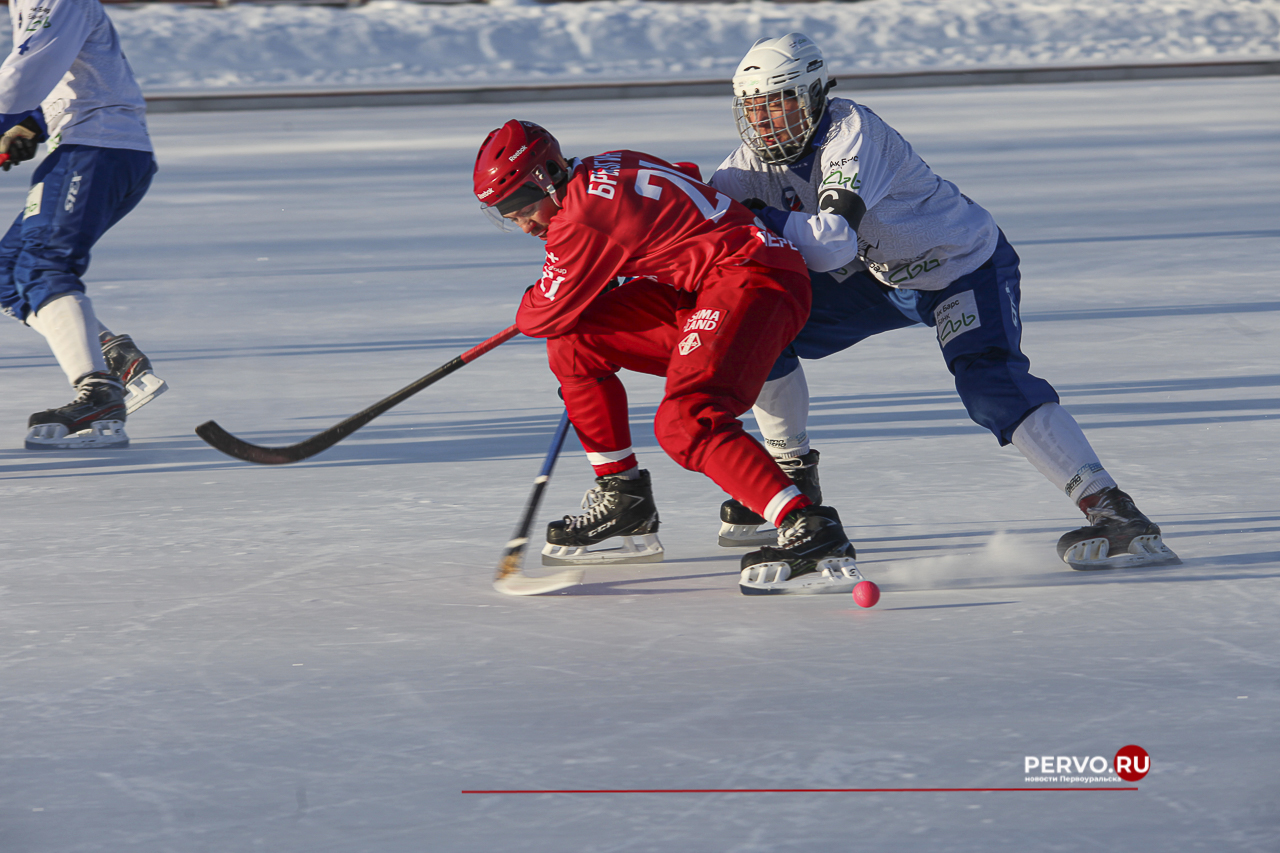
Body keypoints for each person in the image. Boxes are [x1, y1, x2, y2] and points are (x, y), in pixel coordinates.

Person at [707, 33, 1178, 570]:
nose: (765, 120)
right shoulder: (744, 168)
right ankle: (793, 477)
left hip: (960, 265)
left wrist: (755, 218)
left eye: (779, 102)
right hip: (880, 278)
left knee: (989, 385)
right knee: (760, 326)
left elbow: (831, 242)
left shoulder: (852, 132)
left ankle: (1113, 510)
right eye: (753, 107)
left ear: (815, 95)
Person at [474, 118, 859, 594]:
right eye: (504, 214)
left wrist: (585, 276)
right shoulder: (604, 164)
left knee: (685, 421)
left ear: (548, 176)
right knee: (575, 341)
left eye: (522, 206)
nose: (522, 223)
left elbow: (539, 315)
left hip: (752, 280)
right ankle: (624, 497)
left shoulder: (579, 219)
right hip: (708, 283)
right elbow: (683, 174)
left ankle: (809, 526)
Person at [1, 0, 165, 450]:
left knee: (44, 266)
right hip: (88, 147)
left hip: (97, 147)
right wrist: (29, 125)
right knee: (8, 272)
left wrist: (13, 114)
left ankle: (99, 395)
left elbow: (24, 75)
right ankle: (112, 358)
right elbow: (66, 71)